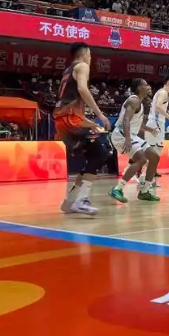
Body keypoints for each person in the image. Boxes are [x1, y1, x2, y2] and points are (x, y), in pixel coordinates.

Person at [54, 43, 112, 216]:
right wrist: (100, 114)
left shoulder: (67, 71)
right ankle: (82, 201)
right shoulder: (82, 66)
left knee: (94, 157)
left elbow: (69, 103)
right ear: (85, 53)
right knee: (100, 154)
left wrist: (91, 123)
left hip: (63, 122)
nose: (91, 58)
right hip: (69, 120)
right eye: (90, 54)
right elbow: (82, 89)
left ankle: (70, 201)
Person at [109, 79, 159, 203]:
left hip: (131, 135)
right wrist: (127, 139)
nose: (148, 86)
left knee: (154, 157)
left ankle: (145, 191)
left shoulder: (140, 102)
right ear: (139, 88)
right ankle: (117, 189)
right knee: (141, 159)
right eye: (145, 84)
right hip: (121, 134)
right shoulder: (133, 100)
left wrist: (150, 129)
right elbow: (126, 120)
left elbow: (136, 124)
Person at [136, 76, 169, 201]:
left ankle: (144, 179)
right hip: (156, 124)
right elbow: (159, 106)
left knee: (153, 154)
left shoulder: (161, 92)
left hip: (155, 123)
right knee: (155, 154)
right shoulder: (164, 93)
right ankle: (144, 181)